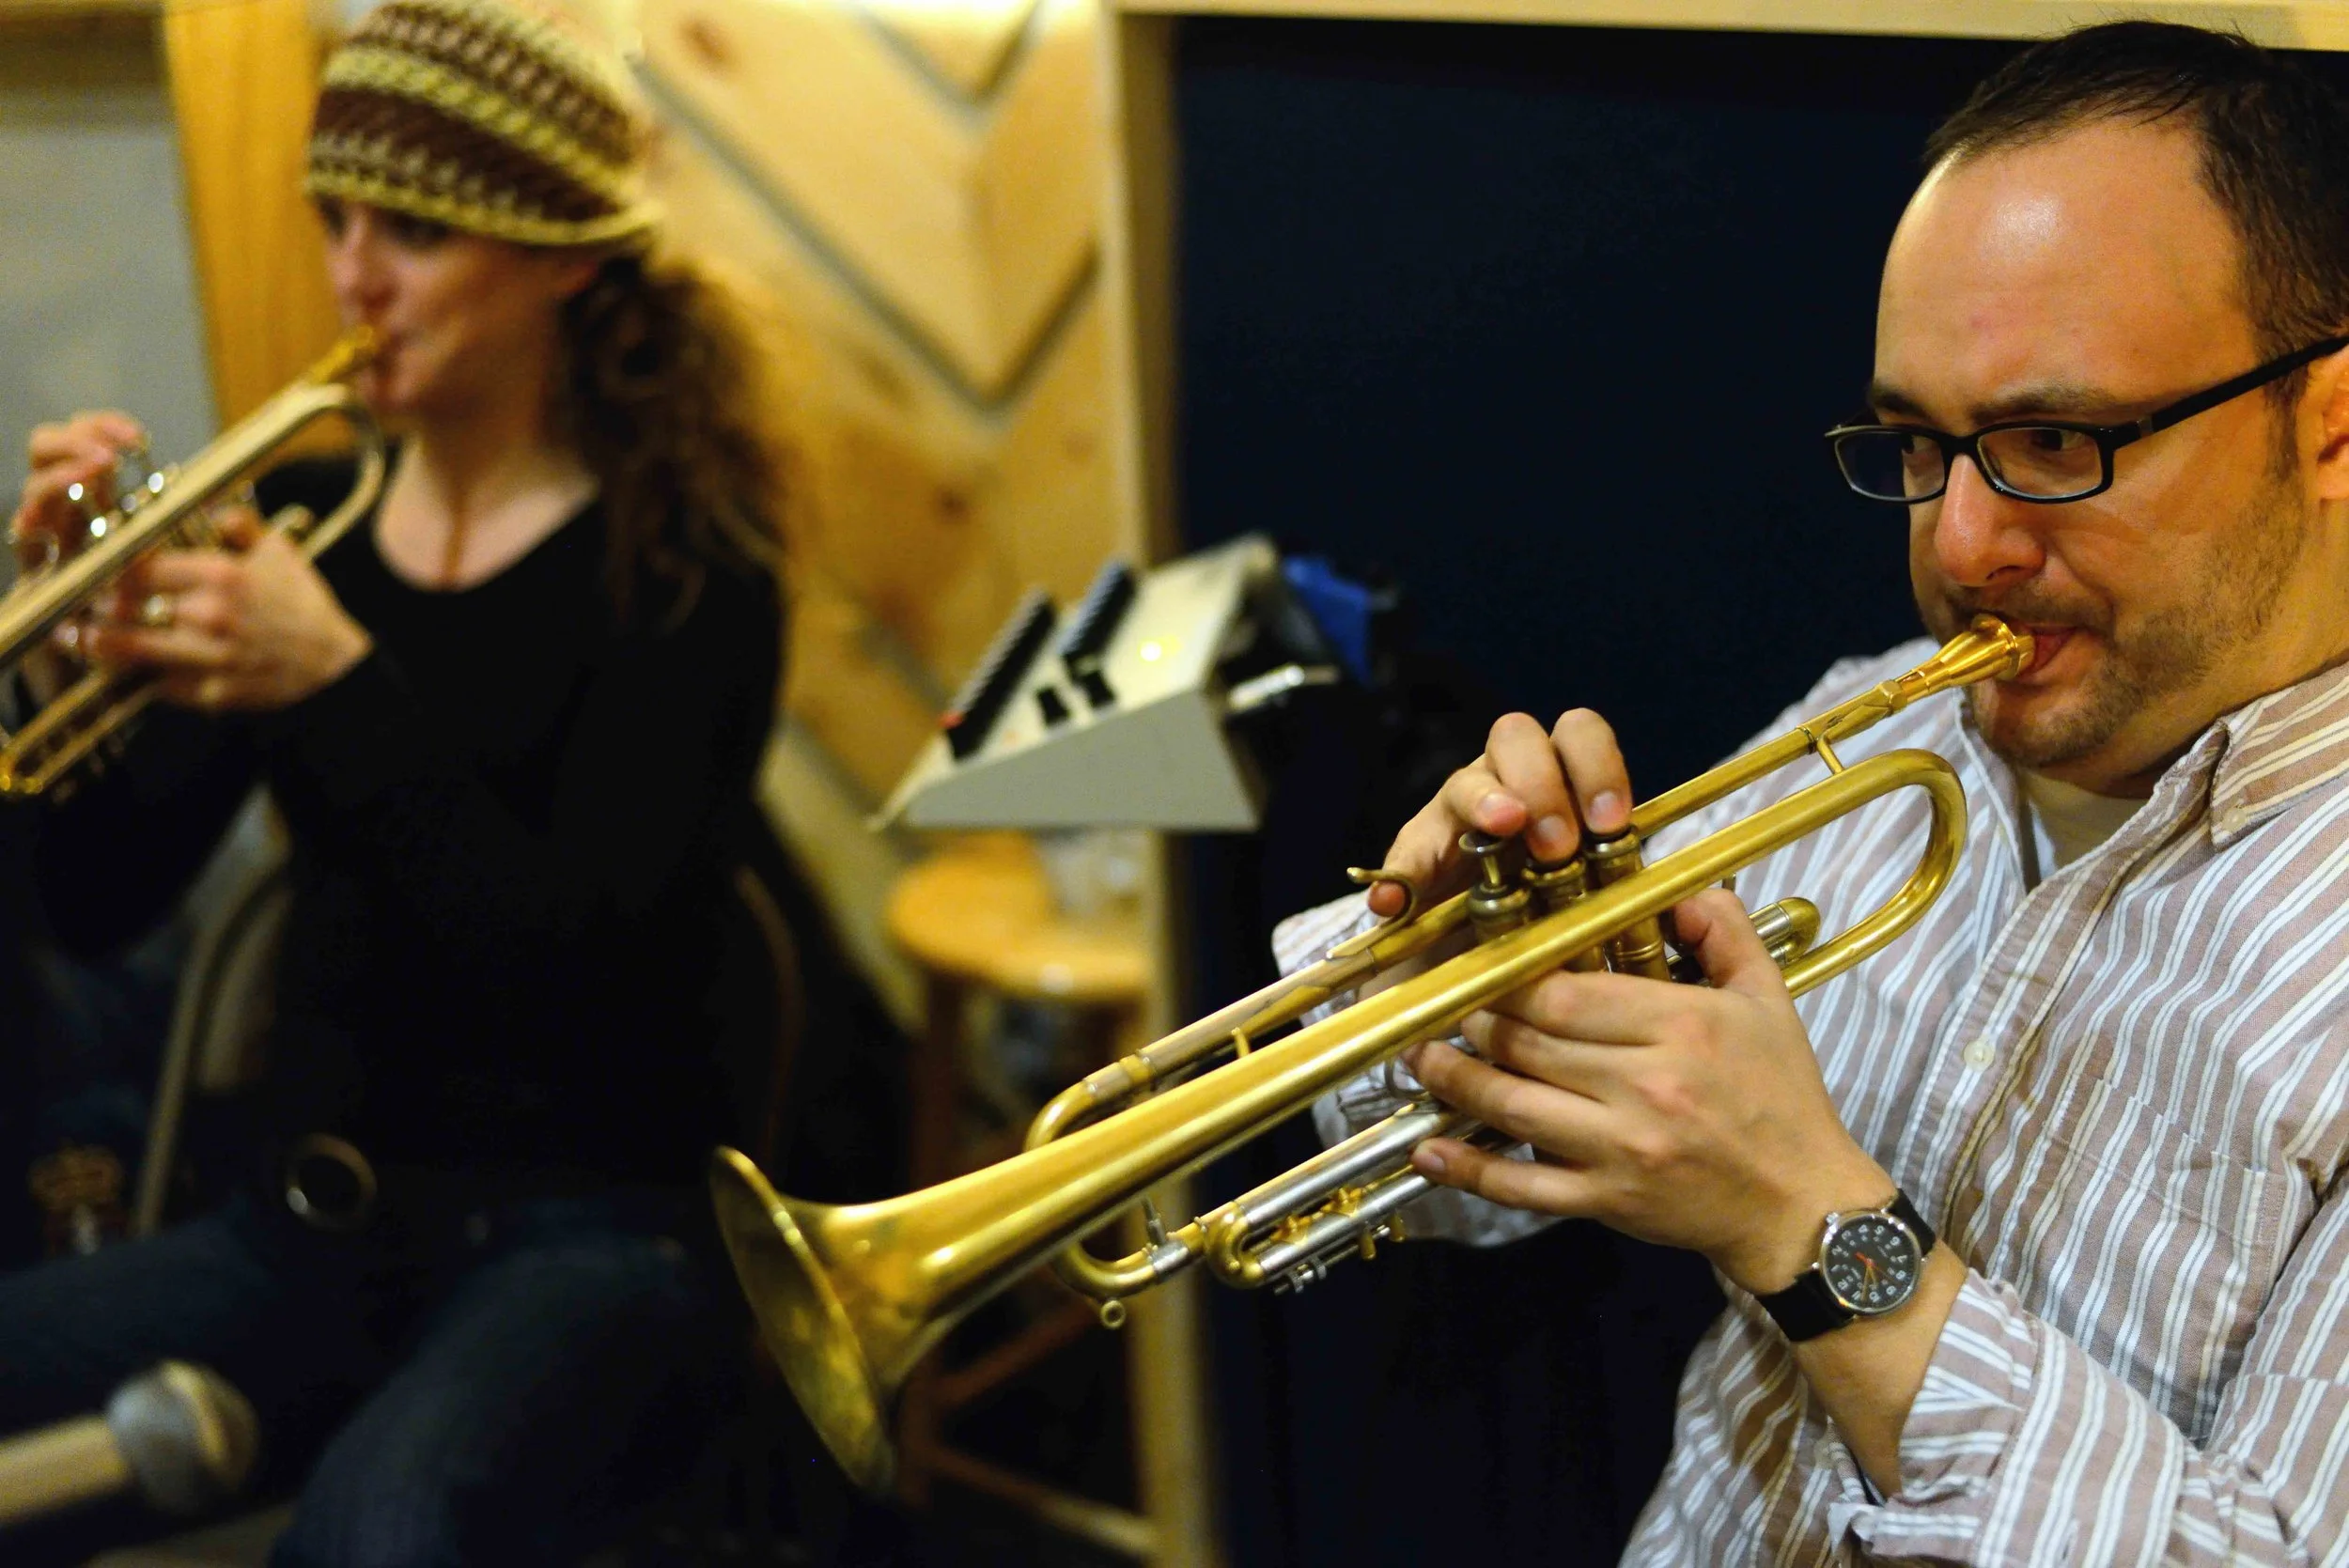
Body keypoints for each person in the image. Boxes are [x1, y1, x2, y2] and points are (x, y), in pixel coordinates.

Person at [1283, 22, 2349, 1563]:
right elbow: (1434, 1189)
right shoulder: (1869, 733)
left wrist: (1811, 1232)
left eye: (2055, 440)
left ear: (2327, 422)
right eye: (1920, 445)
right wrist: (1451, 970)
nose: (1963, 544)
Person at [0, 0, 790, 1561]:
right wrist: (63, 666)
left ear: (563, 253)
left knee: (381, 1533)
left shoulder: (689, 568)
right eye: (337, 217)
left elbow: (596, 966)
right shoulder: (307, 520)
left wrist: (339, 683)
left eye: (416, 229)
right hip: (310, 1214)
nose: (355, 274)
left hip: (589, 1227)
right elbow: (100, 905)